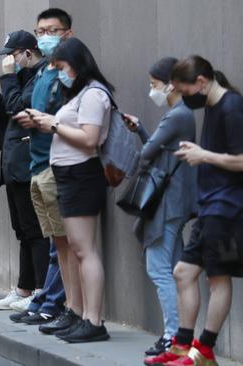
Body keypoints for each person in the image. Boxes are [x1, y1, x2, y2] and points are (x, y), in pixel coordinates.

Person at [145, 55, 243, 366]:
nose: (184, 99)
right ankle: (182, 346)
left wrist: (204, 156)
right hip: (211, 206)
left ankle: (204, 352)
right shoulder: (215, 106)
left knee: (218, 277)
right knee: (182, 272)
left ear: (201, 83)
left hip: (228, 208)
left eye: (185, 92)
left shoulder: (231, 106)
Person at [26, 37, 112, 343]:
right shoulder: (82, 94)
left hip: (81, 175)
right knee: (76, 248)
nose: (59, 73)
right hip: (70, 176)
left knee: (84, 250)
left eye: (61, 67)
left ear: (76, 64)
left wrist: (53, 125)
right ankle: (80, 313)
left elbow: (89, 139)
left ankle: (93, 319)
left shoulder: (93, 94)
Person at [120, 57, 198, 356]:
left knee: (159, 269)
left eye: (155, 85)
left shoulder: (177, 115)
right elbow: (156, 147)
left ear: (171, 84)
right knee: (176, 270)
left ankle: (173, 336)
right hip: (176, 202)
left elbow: (150, 153)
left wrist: (138, 159)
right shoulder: (182, 115)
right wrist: (140, 130)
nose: (152, 91)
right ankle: (180, 336)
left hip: (167, 203)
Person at [11, 8, 74, 332]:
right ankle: (46, 301)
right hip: (37, 164)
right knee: (55, 243)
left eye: (52, 30)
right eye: (41, 31)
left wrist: (36, 119)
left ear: (68, 33)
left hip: (56, 165)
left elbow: (68, 119)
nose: (45, 36)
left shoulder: (68, 73)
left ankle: (54, 305)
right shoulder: (42, 72)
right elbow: (17, 106)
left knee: (62, 244)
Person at [0, 30, 50, 312]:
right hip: (15, 164)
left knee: (34, 230)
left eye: (12, 55)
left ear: (28, 53)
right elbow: (10, 113)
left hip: (29, 164)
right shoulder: (24, 77)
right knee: (22, 230)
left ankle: (41, 290)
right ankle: (25, 287)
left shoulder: (41, 76)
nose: (8, 61)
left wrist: (6, 79)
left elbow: (21, 106)